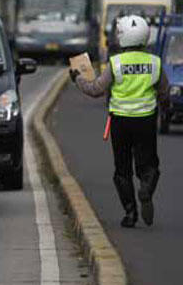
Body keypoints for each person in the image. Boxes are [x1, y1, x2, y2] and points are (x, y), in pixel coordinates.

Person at [70, 15, 168, 228]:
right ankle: (146, 188)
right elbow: (164, 93)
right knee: (149, 165)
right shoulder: (155, 62)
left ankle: (130, 214)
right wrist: (164, 109)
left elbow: (96, 89)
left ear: (122, 36)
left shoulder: (115, 63)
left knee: (122, 170)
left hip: (120, 122)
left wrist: (77, 78)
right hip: (146, 121)